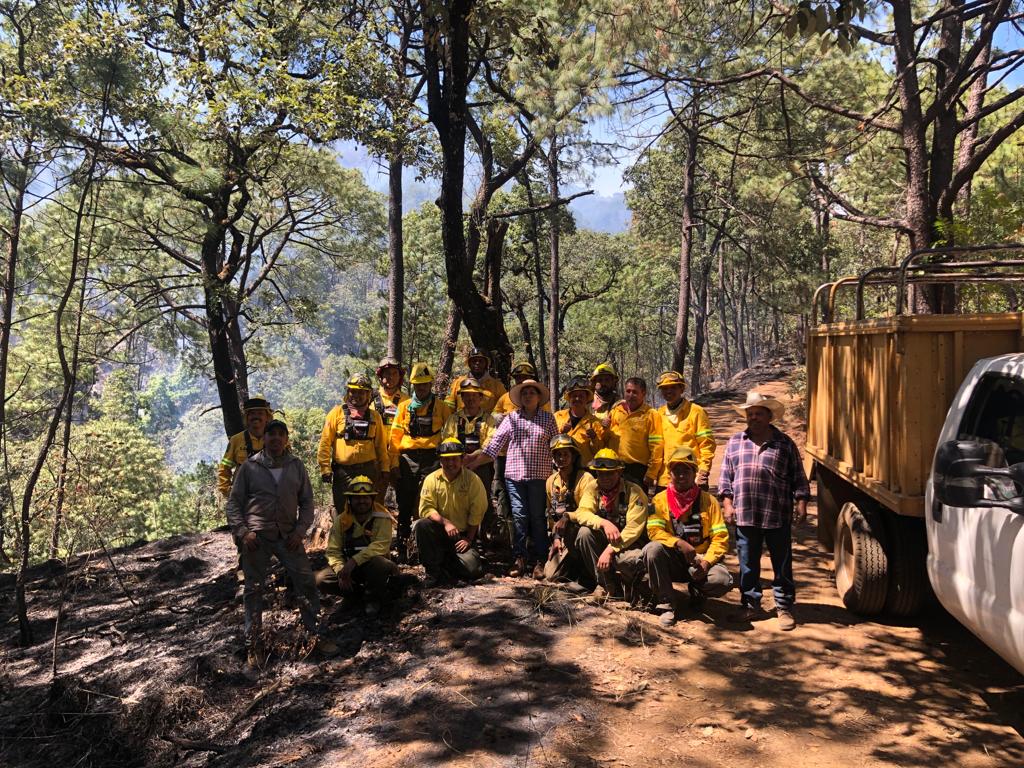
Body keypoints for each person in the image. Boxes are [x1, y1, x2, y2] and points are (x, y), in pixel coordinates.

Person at [225, 418, 335, 660]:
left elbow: (307, 502)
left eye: (280, 434)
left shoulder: (296, 466)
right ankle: (254, 646)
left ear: (286, 439)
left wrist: (299, 532)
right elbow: (233, 504)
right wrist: (243, 532)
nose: (275, 438)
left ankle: (315, 636)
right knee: (253, 590)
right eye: (270, 434)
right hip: (257, 537)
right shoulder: (250, 467)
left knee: (306, 583)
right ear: (263, 439)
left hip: (288, 536)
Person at [718, 390, 810, 631]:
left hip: (776, 512)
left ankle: (784, 607)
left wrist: (801, 503)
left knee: (781, 563)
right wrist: (727, 505)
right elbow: (726, 479)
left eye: (759, 413)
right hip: (745, 513)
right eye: (750, 414)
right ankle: (750, 604)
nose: (754, 418)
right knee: (747, 563)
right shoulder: (735, 442)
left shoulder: (784, 444)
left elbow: (798, 477)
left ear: (769, 416)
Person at [475, 377, 558, 578]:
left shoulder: (548, 419)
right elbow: (494, 446)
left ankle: (539, 561)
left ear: (539, 397)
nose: (528, 396)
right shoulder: (511, 419)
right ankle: (519, 558)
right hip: (515, 477)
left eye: (532, 392)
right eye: (524, 393)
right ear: (520, 398)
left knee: (538, 518)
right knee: (520, 517)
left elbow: (556, 446)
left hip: (540, 477)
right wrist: (472, 460)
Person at [643, 446, 732, 626]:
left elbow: (720, 538)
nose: (681, 475)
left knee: (723, 580)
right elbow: (653, 531)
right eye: (677, 470)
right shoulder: (658, 500)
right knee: (652, 550)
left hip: (699, 561)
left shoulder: (709, 501)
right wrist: (677, 543)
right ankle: (666, 603)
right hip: (672, 560)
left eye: (686, 470)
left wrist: (706, 562)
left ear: (694, 473)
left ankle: (698, 591)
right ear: (670, 473)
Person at [389, 362, 454, 561]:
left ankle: (422, 547)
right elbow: (394, 437)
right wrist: (393, 463)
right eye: (418, 385)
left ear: (431, 384)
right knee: (405, 502)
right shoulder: (404, 407)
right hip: (407, 459)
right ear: (413, 386)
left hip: (432, 459)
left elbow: (450, 434)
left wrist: (447, 460)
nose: (421, 388)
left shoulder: (442, 408)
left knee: (427, 502)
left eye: (425, 384)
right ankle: (402, 545)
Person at [314, 475, 397, 615]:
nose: (362, 501)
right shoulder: (341, 520)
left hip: (375, 568)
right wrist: (341, 570)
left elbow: (380, 546)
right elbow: (333, 551)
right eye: (357, 498)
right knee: (321, 579)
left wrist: (353, 561)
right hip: (349, 569)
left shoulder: (382, 517)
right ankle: (354, 596)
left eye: (365, 498)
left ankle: (372, 598)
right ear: (350, 500)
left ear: (372, 499)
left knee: (379, 563)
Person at [572, 449, 649, 596]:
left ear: (619, 472)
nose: (604, 477)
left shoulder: (635, 492)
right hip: (607, 538)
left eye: (609, 473)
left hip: (630, 543)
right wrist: (603, 523)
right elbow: (582, 513)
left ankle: (637, 591)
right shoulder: (593, 487)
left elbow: (633, 529)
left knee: (627, 561)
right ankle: (606, 586)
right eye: (600, 473)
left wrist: (610, 550)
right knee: (584, 533)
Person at [414, 439, 488, 586]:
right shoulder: (431, 479)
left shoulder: (473, 480)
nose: (450, 464)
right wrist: (445, 522)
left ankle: (446, 562)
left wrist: (468, 539)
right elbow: (425, 508)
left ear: (462, 459)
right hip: (438, 531)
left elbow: (477, 511)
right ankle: (433, 572)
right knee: (422, 525)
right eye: (446, 459)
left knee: (473, 570)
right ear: (440, 460)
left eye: (454, 459)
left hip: (461, 535)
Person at [318, 373, 389, 512]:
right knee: (343, 509)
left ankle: (367, 534)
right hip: (343, 472)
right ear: (348, 392)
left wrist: (385, 468)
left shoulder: (375, 416)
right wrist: (325, 468)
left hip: (368, 470)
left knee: (368, 509)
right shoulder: (336, 413)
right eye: (353, 391)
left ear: (368, 394)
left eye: (361, 392)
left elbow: (381, 445)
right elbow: (325, 442)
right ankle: (342, 533)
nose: (356, 395)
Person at [442, 377, 497, 535]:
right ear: (462, 398)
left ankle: (482, 536)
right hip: (456, 467)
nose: (471, 399)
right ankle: (458, 533)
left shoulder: (488, 419)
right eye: (467, 395)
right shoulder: (454, 419)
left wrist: (473, 457)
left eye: (474, 395)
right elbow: (447, 439)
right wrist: (460, 459)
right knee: (457, 500)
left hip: (481, 466)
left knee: (482, 500)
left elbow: (491, 442)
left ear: (481, 398)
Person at [543, 434, 597, 584]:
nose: (561, 458)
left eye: (566, 454)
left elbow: (589, 513)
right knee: (551, 576)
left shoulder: (586, 479)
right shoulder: (550, 481)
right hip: (562, 535)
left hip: (583, 532)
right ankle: (573, 567)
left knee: (583, 534)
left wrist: (568, 517)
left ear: (574, 457)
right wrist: (556, 539)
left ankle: (592, 575)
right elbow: (551, 515)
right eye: (558, 454)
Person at [655, 370, 715, 491]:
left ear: (681, 389)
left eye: (673, 387)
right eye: (665, 388)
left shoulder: (696, 412)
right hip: (665, 479)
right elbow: (655, 448)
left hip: (690, 478)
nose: (669, 391)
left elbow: (707, 444)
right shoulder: (658, 414)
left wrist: (703, 472)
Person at [606, 376, 664, 492]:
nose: (631, 395)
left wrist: (651, 473)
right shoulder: (616, 411)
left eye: (635, 392)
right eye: (628, 391)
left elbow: (657, 446)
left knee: (637, 506)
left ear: (643, 393)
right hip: (614, 467)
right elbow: (606, 436)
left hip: (637, 470)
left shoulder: (651, 415)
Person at [217, 394, 274, 499]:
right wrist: (228, 492)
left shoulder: (276, 439)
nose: (256, 417)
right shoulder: (236, 440)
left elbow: (288, 468)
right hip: (243, 500)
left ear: (267, 417)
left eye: (260, 413)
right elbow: (224, 468)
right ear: (246, 417)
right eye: (252, 414)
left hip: (271, 499)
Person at [554, 376, 606, 467]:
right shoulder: (558, 417)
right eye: (574, 396)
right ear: (569, 398)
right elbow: (549, 442)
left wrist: (594, 438)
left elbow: (599, 451)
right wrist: (561, 433)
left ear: (587, 399)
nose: (577, 399)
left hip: (584, 471)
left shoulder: (595, 422)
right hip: (560, 468)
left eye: (581, 396)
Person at [446, 347, 507, 413]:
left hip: (487, 422)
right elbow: (449, 406)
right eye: (474, 361)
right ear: (469, 364)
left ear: (486, 364)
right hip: (461, 422)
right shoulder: (457, 382)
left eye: (481, 361)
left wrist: (493, 419)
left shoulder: (497, 386)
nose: (477, 363)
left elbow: (504, 406)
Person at [372, 356, 406, 446]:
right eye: (387, 373)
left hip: (398, 454)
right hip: (374, 453)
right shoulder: (369, 398)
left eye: (395, 373)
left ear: (400, 377)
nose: (391, 377)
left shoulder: (407, 401)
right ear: (381, 375)